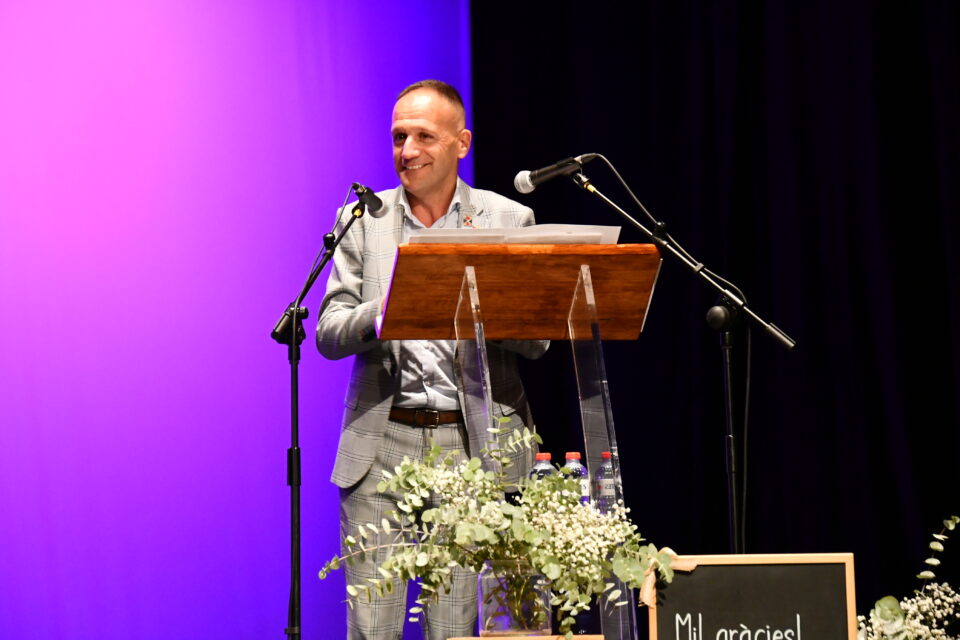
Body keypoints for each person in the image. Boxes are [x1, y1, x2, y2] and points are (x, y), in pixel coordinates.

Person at [316, 79, 547, 640]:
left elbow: (537, 341)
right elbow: (328, 331)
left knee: (455, 628)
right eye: (399, 137)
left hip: (472, 446)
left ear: (461, 143)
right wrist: (387, 310)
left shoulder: (508, 220)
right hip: (382, 444)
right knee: (372, 627)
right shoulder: (362, 219)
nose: (408, 150)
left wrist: (483, 308)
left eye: (424, 136)